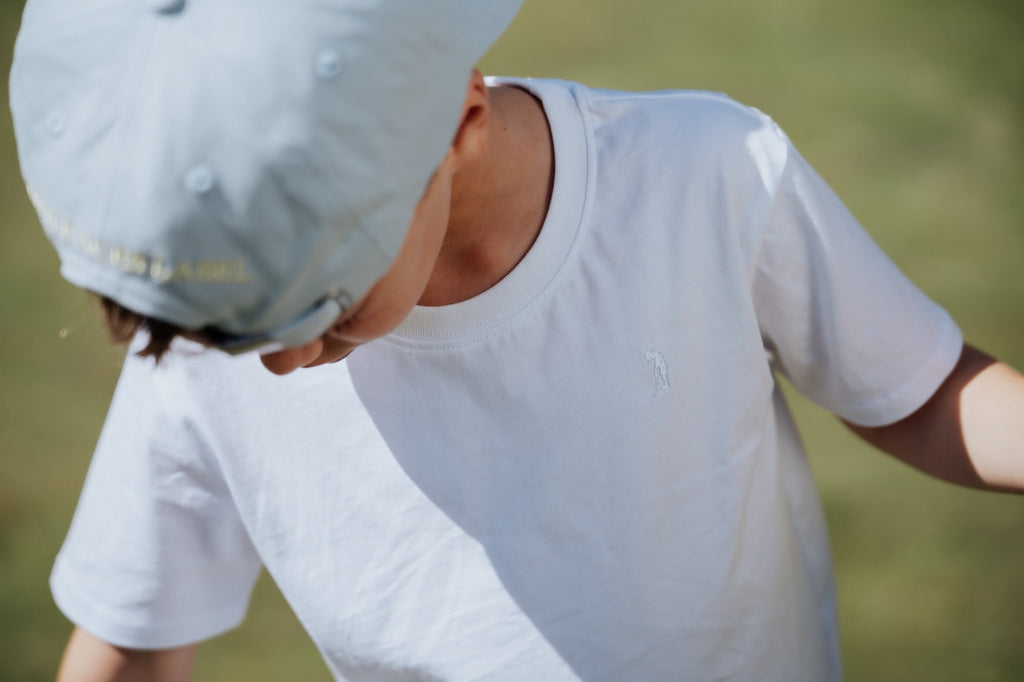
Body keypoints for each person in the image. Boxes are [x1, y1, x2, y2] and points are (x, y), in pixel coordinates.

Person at [10, 0, 1023, 680]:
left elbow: (923, 392)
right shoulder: (207, 321)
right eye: (240, 335)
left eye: (319, 305)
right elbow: (133, 625)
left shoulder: (701, 176)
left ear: (458, 118)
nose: (276, 363)